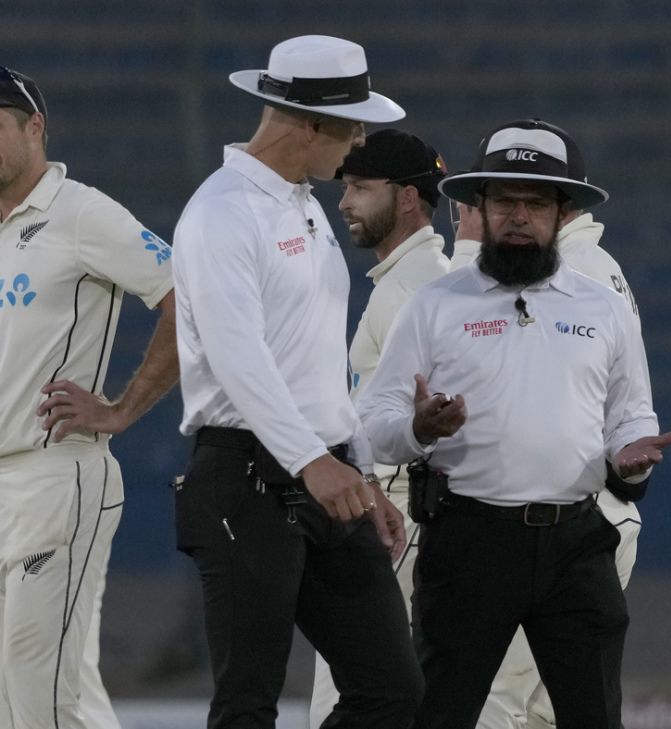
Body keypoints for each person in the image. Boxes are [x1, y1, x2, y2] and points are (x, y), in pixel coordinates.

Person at [356, 119, 671, 729]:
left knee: (592, 717)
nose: (518, 215)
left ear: (563, 214)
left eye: (536, 202)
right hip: (469, 542)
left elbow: (632, 415)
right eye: (504, 200)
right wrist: (420, 430)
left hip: (575, 544)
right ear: (478, 206)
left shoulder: (602, 308)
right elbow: (376, 423)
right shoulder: (435, 305)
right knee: (441, 714)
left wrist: (629, 459)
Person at [171, 36, 422, 729]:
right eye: (353, 125)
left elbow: (315, 357)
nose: (362, 140)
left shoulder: (304, 205)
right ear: (308, 123)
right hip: (249, 477)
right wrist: (315, 462)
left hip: (325, 473)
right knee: (248, 702)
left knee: (394, 692)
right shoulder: (220, 213)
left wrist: (360, 469)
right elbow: (236, 356)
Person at [0, 63, 179, 729]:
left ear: (35, 127)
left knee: (41, 690)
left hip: (58, 477)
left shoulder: (84, 214)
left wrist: (121, 409)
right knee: (3, 701)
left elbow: (188, 302)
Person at [446, 125, 645, 729]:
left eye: (528, 199)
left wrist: (462, 254)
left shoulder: (546, 271)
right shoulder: (597, 266)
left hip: (552, 518)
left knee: (498, 701)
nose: (512, 213)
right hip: (594, 514)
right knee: (544, 709)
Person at [307, 128, 449, 728]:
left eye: (361, 187)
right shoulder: (403, 282)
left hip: (393, 510)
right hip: (383, 503)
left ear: (409, 197)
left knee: (356, 701)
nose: (344, 203)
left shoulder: (417, 290)